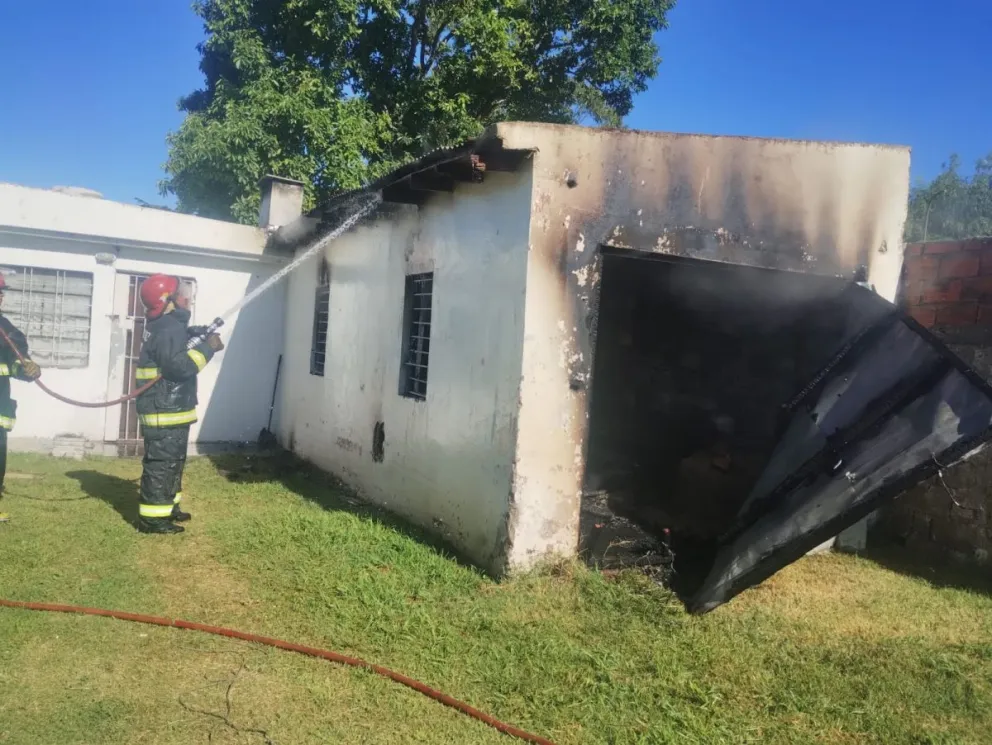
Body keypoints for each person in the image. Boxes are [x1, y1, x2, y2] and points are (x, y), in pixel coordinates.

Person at [135, 274, 223, 534]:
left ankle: (167, 508)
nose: (188, 298)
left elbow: (174, 350)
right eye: (182, 294)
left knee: (173, 462)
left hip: (170, 409)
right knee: (163, 464)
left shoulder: (169, 327)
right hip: (164, 411)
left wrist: (195, 334)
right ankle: (152, 520)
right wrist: (208, 349)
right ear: (169, 301)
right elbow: (179, 367)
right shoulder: (169, 328)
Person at [0, 274, 42, 523]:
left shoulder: (7, 332)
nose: (0, 296)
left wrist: (29, 369)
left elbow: (17, 362)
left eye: (1, 291)